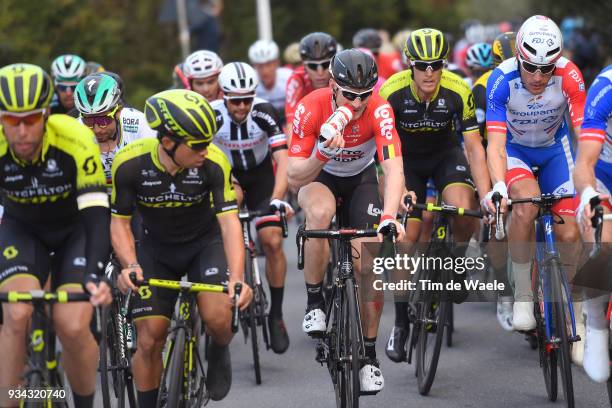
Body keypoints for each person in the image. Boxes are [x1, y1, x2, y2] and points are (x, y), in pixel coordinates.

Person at [111, 89, 252, 406]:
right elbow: (119, 222)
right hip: (155, 249)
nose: (206, 149)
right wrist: (130, 264)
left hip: (204, 245)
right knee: (149, 339)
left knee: (218, 317)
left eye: (208, 142)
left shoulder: (213, 163)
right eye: (198, 144)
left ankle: (218, 347)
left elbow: (230, 223)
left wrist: (238, 278)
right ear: (168, 141)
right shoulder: (129, 163)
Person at [288, 49, 407, 393]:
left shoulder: (380, 109)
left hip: (361, 180)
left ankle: (369, 356)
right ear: (332, 86)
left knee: (367, 264)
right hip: (319, 176)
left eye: (364, 95)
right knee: (320, 214)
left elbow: (393, 167)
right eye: (350, 95)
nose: (357, 103)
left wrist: (389, 216)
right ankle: (314, 303)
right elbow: (295, 175)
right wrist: (322, 152)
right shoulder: (311, 106)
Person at [0, 63, 112, 408]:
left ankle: (82, 402)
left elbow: (96, 216)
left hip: (73, 232)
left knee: (73, 325)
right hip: (22, 231)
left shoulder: (76, 139)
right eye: (10, 121)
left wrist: (95, 274)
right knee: (15, 315)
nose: (21, 132)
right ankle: (16, 398)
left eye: (31, 120)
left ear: (46, 115)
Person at [379, 28, 491, 362]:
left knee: (462, 207)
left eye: (436, 64)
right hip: (405, 161)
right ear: (410, 64)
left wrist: (485, 197)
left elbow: (473, 146)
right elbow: (383, 151)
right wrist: (395, 193)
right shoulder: (391, 92)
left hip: (445, 157)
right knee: (406, 237)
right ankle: (400, 324)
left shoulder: (458, 89)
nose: (430, 72)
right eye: (423, 65)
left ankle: (455, 261)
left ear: (444, 65)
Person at [485, 16, 586, 362]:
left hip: (556, 151)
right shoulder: (501, 80)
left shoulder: (569, 75)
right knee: (525, 207)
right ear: (518, 56)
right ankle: (525, 295)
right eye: (531, 68)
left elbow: (583, 132)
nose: (539, 77)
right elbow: (495, 146)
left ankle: (571, 307)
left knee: (571, 231)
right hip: (516, 152)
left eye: (547, 69)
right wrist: (499, 185)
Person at [212, 62, 293, 353]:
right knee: (228, 218)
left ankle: (277, 314)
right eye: (236, 100)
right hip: (227, 178)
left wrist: (278, 197)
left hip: (261, 178)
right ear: (224, 96)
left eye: (248, 98)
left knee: (272, 241)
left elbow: (283, 159)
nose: (243, 105)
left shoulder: (264, 111)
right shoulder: (212, 115)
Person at [471, 31, 517, 331]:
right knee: (497, 218)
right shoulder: (482, 87)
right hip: (493, 151)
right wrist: (485, 188)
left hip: (528, 152)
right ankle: (504, 289)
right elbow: (477, 139)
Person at [573, 65, 612, 383]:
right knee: (603, 247)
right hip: (603, 175)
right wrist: (588, 195)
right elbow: (584, 163)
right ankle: (596, 321)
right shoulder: (606, 87)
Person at [74, 73, 156, 189]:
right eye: (88, 121)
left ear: (117, 111)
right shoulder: (74, 130)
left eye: (104, 120)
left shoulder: (140, 123)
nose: (96, 129)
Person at [284, 32, 337, 132]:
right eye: (313, 66)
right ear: (304, 65)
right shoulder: (297, 78)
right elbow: (291, 124)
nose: (320, 72)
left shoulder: (341, 75)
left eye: (326, 65)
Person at [248, 39, 293, 127]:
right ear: (254, 66)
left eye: (268, 64)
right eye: (260, 66)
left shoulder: (289, 78)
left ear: (277, 63)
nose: (265, 71)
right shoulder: (250, 82)